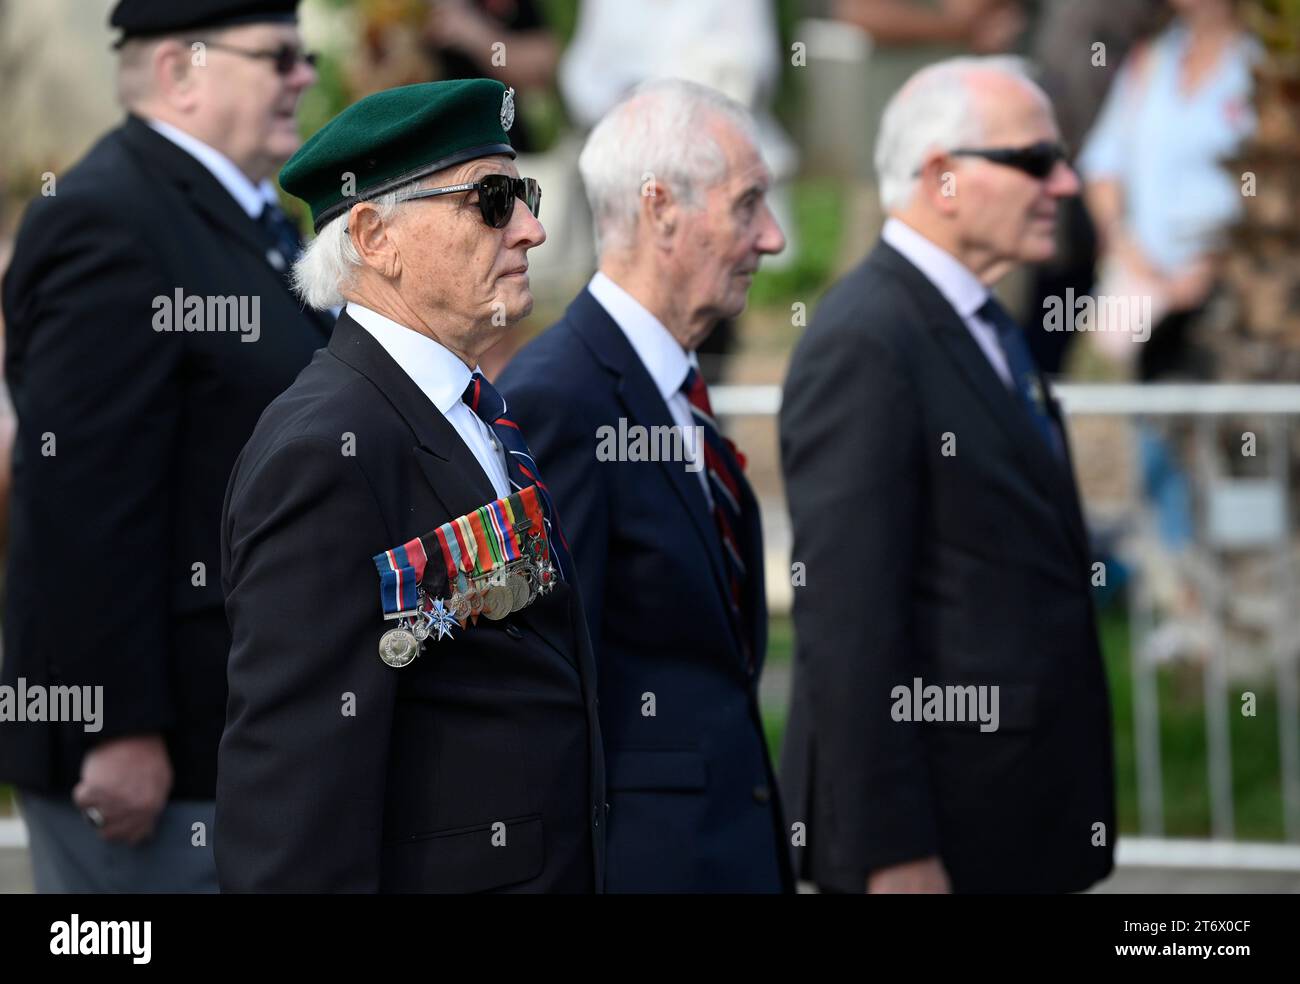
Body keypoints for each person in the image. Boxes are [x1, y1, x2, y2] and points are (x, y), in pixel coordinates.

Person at [215, 78, 605, 892]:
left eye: (524, 193)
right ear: (374, 235)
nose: (531, 228)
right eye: (493, 199)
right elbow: (293, 809)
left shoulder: (471, 404)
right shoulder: (323, 452)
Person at [0, 0, 326, 893]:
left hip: (232, 734)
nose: (305, 77)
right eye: (281, 57)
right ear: (184, 72)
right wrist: (118, 729)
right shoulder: (108, 219)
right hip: (157, 757)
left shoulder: (248, 216)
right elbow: (79, 498)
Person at [780, 56, 1116, 894]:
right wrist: (892, 851)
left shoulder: (980, 324)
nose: (1065, 183)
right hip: (941, 840)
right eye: (1035, 160)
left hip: (1017, 815)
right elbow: (849, 623)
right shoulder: (867, 339)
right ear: (944, 178)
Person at [498, 79, 790, 892]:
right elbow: (545, 682)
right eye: (748, 205)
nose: (770, 239)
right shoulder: (561, 396)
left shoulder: (670, 384)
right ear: (661, 210)